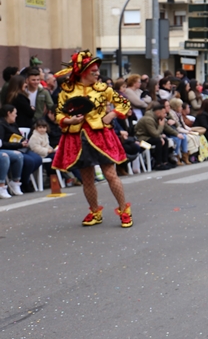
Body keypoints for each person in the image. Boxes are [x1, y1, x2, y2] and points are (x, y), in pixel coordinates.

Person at [52, 51, 133, 227]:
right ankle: (95, 211)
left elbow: (124, 104)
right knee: (87, 178)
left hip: (100, 135)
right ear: (82, 72)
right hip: (77, 138)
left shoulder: (104, 89)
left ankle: (124, 210)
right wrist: (69, 120)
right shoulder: (67, 91)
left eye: (98, 70)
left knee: (111, 175)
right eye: (93, 71)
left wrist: (111, 115)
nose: (97, 73)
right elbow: (58, 113)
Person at [0, 105, 41, 196]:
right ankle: (22, 182)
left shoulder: (13, 124)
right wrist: (19, 144)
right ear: (8, 113)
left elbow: (19, 135)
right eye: (15, 113)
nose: (16, 115)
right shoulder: (1, 125)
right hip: (9, 148)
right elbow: (2, 143)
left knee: (37, 159)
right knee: (28, 161)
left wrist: (24, 141)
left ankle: (23, 180)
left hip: (20, 147)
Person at [135, 102, 179, 171]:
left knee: (165, 140)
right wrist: (160, 127)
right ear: (158, 113)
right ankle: (158, 164)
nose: (165, 115)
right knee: (158, 141)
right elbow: (155, 134)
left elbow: (165, 128)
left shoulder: (157, 118)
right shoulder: (148, 119)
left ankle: (165, 162)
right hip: (141, 140)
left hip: (149, 137)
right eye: (164, 113)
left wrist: (176, 134)